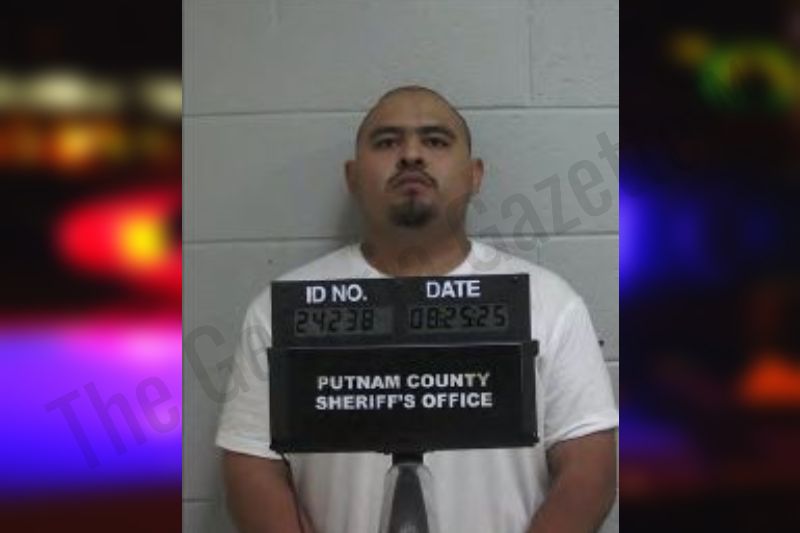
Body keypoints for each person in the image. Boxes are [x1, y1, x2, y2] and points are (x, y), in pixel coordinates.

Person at [216, 86, 618, 533]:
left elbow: (590, 470)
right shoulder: (282, 310)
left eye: (435, 141)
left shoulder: (550, 303)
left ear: (474, 175)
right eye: (387, 141)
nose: (411, 155)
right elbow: (252, 468)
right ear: (353, 176)